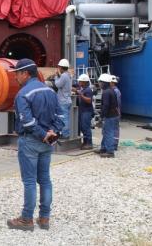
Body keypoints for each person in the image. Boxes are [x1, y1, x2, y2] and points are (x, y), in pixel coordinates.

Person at [7, 59, 64, 232]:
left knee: (30, 181)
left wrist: (42, 134)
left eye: (17, 73)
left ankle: (26, 219)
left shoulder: (23, 94)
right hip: (47, 142)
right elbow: (61, 116)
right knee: (45, 179)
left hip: (31, 141)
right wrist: (52, 132)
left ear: (25, 73)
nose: (15, 77)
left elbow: (27, 122)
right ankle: (44, 217)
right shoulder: (50, 91)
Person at [95, 74, 119, 158]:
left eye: (100, 82)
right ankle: (104, 148)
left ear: (104, 83)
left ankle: (110, 151)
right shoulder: (111, 90)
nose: (99, 84)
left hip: (110, 116)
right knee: (106, 132)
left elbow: (105, 106)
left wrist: (101, 117)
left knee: (108, 133)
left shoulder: (106, 92)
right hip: (113, 115)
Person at [54, 59, 72, 138]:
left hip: (63, 101)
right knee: (65, 117)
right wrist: (59, 76)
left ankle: (65, 134)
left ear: (61, 67)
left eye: (59, 67)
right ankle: (64, 133)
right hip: (67, 99)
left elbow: (58, 85)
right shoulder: (68, 75)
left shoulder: (64, 75)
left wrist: (56, 77)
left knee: (64, 118)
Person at [75, 74, 94, 150]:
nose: (79, 82)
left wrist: (81, 95)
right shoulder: (83, 89)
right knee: (83, 127)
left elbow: (89, 100)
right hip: (83, 111)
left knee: (86, 127)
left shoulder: (88, 90)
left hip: (87, 112)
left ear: (84, 82)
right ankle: (85, 142)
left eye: (80, 81)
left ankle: (89, 143)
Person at [110, 76, 121, 150]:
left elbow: (117, 103)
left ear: (112, 82)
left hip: (115, 112)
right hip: (116, 111)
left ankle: (114, 144)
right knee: (114, 128)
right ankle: (113, 144)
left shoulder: (115, 91)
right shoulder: (115, 90)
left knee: (114, 128)